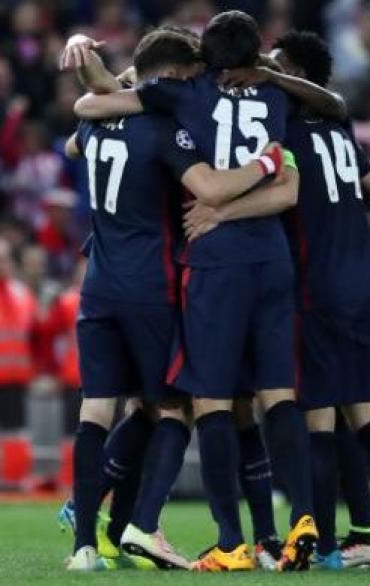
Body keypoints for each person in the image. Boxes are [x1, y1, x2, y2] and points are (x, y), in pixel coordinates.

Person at [187, 29, 370, 572]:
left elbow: (278, 193)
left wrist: (220, 211)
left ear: (292, 74)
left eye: (276, 66)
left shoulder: (286, 133)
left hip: (317, 286)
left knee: (318, 420)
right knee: (367, 414)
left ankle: (323, 546)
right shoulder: (342, 131)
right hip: (367, 279)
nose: (262, 74)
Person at [62, 26, 296, 571]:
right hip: (151, 284)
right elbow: (211, 189)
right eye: (189, 79)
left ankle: (86, 543)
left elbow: (80, 122)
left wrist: (102, 68)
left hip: (97, 284)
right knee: (178, 404)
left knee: (99, 408)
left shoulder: (92, 125)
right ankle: (144, 525)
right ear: (171, 77)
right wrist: (266, 164)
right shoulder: (164, 127)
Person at [0, 237, 36, 490]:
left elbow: (36, 337)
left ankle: (14, 483)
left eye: (4, 258)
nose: (0, 263)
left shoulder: (22, 294)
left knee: (16, 436)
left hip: (16, 380)